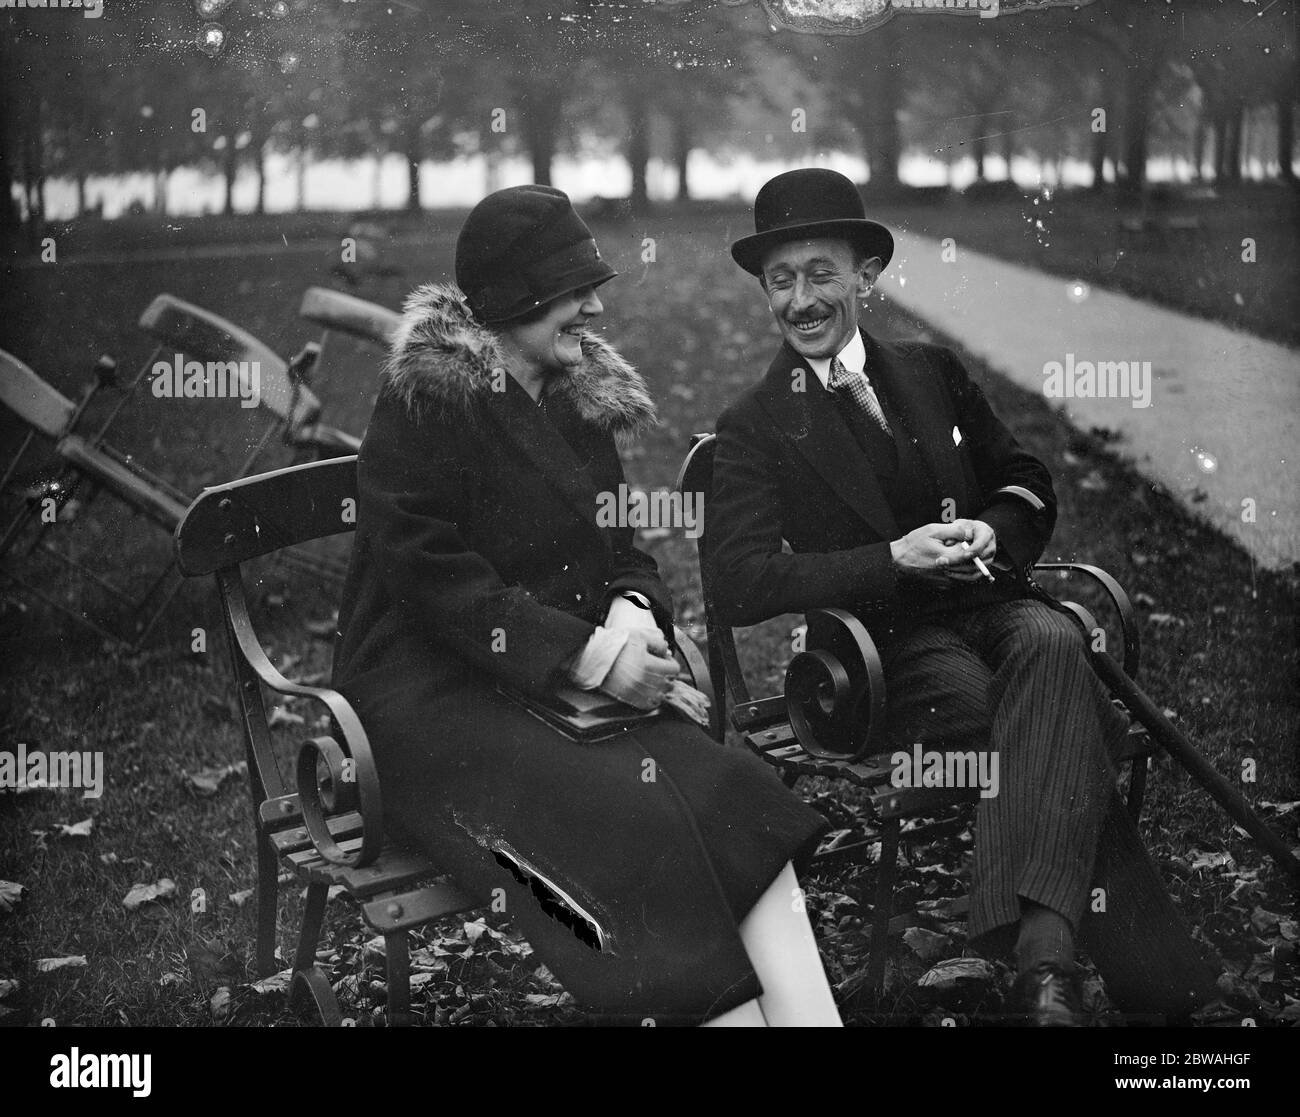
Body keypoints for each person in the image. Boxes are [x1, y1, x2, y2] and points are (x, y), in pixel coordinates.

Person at [332, 185, 840, 1027]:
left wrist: (634, 614)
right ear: (511, 299)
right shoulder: (426, 400)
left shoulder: (573, 392)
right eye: (575, 288)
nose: (597, 306)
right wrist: (594, 658)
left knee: (726, 788)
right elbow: (433, 580)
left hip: (549, 680)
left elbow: (623, 544)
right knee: (626, 814)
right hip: (427, 699)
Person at [707, 168, 1197, 1026]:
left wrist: (991, 532)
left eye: (820, 273)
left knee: (1049, 644)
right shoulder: (755, 421)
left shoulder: (931, 373)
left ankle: (1036, 971)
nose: (800, 301)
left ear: (865, 276)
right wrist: (888, 558)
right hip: (878, 651)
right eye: (779, 281)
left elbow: (1024, 477)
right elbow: (738, 580)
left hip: (988, 606)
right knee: (1052, 707)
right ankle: (1088, 972)